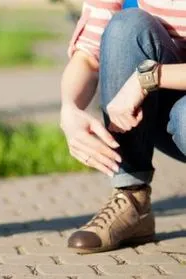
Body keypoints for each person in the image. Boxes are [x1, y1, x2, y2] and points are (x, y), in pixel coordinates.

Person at [60, 1, 186, 253]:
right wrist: (69, 109)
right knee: (126, 25)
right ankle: (132, 198)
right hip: (163, 109)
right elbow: (87, 56)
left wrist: (148, 78)